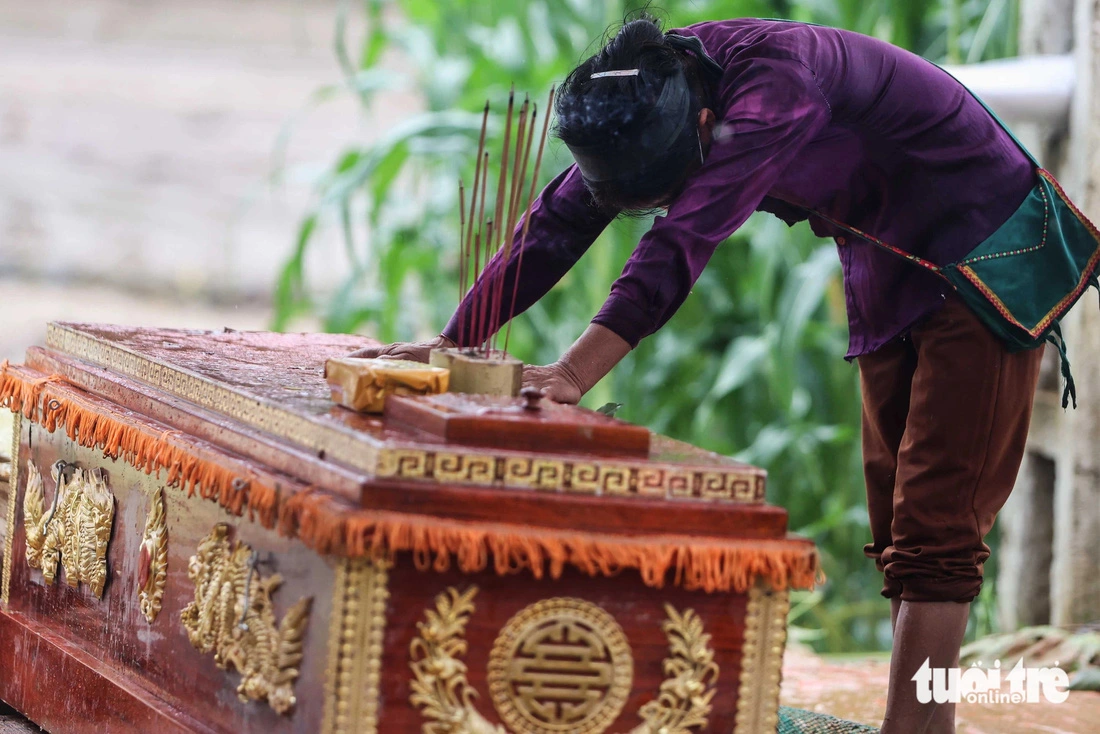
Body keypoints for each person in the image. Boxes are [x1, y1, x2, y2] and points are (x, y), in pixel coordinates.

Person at [352, 15, 1069, 734]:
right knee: (894, 513)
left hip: (983, 242)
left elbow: (683, 237)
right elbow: (555, 224)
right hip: (884, 249)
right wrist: (452, 341)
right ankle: (917, 720)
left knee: (937, 524)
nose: (665, 201)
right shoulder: (644, 89)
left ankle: (918, 729)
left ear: (703, 123)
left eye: (667, 188)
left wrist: (572, 372)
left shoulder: (773, 89)